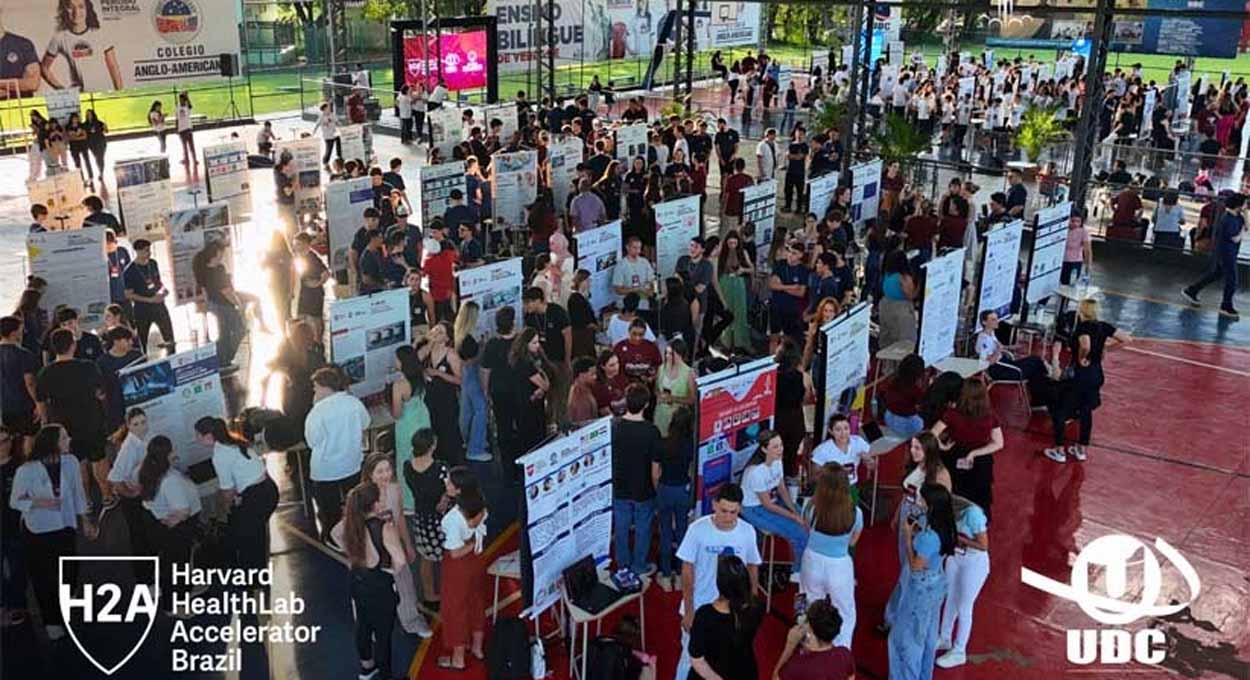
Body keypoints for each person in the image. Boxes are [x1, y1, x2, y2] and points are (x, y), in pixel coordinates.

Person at [8, 424, 94, 640]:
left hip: (64, 525)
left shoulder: (71, 462)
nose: (69, 440)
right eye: (64, 437)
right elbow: (15, 500)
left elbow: (78, 492)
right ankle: (52, 621)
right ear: (51, 443)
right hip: (37, 530)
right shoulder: (26, 470)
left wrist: (85, 519)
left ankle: (68, 596)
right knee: (43, 578)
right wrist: (37, 502)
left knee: (70, 567)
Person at [674, 483, 762, 680]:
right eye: (724, 511)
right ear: (714, 505)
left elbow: (752, 566)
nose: (729, 518)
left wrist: (752, 601)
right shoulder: (697, 530)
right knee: (689, 658)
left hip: (733, 610)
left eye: (734, 512)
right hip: (700, 605)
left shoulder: (747, 531)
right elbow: (687, 571)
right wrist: (689, 611)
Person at [1045, 298, 1130, 463]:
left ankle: (1059, 449)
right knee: (1085, 412)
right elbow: (1127, 339)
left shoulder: (1082, 327)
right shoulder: (1103, 326)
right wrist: (1105, 348)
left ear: (1081, 311)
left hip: (1080, 375)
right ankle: (1081, 449)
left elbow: (1085, 345)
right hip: (1096, 374)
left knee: (1061, 410)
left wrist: (1082, 357)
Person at [882, 433, 951, 632]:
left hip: (922, 522)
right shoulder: (915, 466)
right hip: (907, 516)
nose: (913, 451)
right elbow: (907, 494)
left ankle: (894, 617)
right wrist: (898, 515)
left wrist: (923, 528)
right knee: (904, 565)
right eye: (912, 447)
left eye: (918, 448)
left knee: (909, 572)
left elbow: (942, 505)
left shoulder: (940, 474)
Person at [887, 483, 956, 680]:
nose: (919, 501)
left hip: (921, 589)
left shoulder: (929, 538)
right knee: (928, 635)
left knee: (906, 639)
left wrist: (908, 538)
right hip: (937, 584)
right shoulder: (945, 527)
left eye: (922, 498)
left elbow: (916, 565)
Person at [336, 482, 404, 679]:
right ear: (375, 504)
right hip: (379, 585)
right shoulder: (384, 529)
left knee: (363, 625)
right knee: (383, 635)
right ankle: (386, 675)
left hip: (357, 581)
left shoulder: (350, 523)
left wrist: (352, 556)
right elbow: (399, 561)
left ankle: (367, 667)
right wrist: (391, 571)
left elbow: (334, 534)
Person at [195, 416, 278, 572]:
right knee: (255, 534)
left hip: (257, 496)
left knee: (246, 539)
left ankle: (252, 578)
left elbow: (227, 491)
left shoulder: (220, 455)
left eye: (198, 435)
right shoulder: (234, 441)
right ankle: (258, 575)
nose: (196, 439)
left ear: (208, 436)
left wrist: (227, 505)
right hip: (268, 488)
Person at [36, 329, 106, 507]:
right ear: (73, 345)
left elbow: (41, 401)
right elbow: (100, 393)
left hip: (65, 426)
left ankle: (86, 500)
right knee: (99, 459)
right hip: (92, 420)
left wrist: (46, 423)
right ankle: (107, 495)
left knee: (78, 463)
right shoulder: (88, 366)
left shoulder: (45, 373)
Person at [305, 367, 371, 547]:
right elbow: (366, 423)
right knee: (355, 505)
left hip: (326, 470)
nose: (314, 391)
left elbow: (312, 441)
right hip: (351, 464)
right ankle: (358, 535)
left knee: (330, 509)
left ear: (325, 387)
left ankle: (333, 538)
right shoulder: (353, 403)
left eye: (316, 387)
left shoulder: (317, 412)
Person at [799, 465, 862, 651]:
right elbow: (852, 542)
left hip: (812, 561)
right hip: (840, 565)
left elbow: (806, 529)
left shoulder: (810, 506)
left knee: (808, 604)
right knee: (846, 612)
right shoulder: (855, 512)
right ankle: (842, 651)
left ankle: (808, 646)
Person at [138, 435, 202, 615]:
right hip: (176, 529)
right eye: (171, 450)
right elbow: (183, 510)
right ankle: (175, 605)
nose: (175, 452)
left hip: (167, 527)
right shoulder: (169, 480)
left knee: (175, 564)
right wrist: (174, 522)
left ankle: (184, 591)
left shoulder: (152, 471)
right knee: (176, 566)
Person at [930, 379, 1003, 521]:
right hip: (981, 461)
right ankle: (979, 522)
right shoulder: (990, 416)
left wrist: (943, 446)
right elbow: (998, 443)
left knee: (955, 488)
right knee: (980, 491)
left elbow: (932, 434)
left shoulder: (951, 414)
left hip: (955, 455)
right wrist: (974, 453)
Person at [739, 430, 808, 582]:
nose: (780, 449)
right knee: (799, 532)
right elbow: (767, 505)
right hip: (754, 509)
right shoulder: (756, 472)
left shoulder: (777, 462)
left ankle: (804, 561)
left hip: (772, 500)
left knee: (806, 519)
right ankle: (797, 572)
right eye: (775, 447)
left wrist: (794, 509)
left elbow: (782, 488)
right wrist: (794, 517)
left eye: (781, 445)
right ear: (764, 449)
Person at [437, 472, 489, 670]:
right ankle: (477, 647)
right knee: (476, 601)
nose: (446, 482)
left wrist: (470, 543)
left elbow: (455, 553)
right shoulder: (480, 505)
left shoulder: (453, 518)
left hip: (458, 567)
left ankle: (458, 658)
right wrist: (475, 541)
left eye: (449, 481)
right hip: (476, 561)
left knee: (455, 609)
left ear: (458, 490)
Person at [687, 554, 764, 680]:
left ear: (719, 583)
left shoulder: (705, 615)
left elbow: (697, 659)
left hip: (711, 673)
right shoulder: (756, 606)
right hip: (744, 671)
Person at [612, 383, 662, 575]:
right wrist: (656, 488)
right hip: (643, 489)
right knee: (643, 528)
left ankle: (622, 564)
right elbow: (655, 469)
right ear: (647, 405)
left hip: (620, 487)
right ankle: (639, 565)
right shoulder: (651, 432)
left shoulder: (614, 427)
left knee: (622, 527)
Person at [935, 494, 990, 669]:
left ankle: (959, 651)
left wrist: (960, 540)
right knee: (950, 598)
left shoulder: (972, 514)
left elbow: (983, 545)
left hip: (974, 563)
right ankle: (945, 637)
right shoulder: (944, 512)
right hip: (956, 557)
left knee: (964, 606)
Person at [403, 429, 448, 612]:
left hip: (421, 516)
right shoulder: (440, 468)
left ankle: (429, 595)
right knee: (446, 557)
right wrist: (444, 499)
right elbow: (448, 490)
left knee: (425, 557)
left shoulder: (407, 466)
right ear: (431, 446)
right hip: (439, 518)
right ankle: (448, 591)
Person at [1182, 191, 1247, 319]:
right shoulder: (1227, 219)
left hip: (1231, 251)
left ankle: (1192, 290)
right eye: (1245, 204)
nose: (1246, 206)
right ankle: (1226, 305)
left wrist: (1246, 216)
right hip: (1226, 252)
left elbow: (1247, 227)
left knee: (1216, 274)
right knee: (1232, 280)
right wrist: (1241, 234)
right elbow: (1235, 238)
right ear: (1239, 205)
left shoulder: (1238, 217)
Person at [41, 0, 122, 91]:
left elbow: (113, 67)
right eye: (71, 7)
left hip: (104, 93)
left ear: (87, 9)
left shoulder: (100, 33)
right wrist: (61, 89)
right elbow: (44, 68)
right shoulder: (59, 38)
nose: (76, 12)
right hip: (80, 97)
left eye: (81, 7)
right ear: (64, 9)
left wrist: (120, 93)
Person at [654, 405, 693, 591]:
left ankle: (666, 574)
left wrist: (658, 489)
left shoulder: (662, 444)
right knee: (682, 531)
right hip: (682, 490)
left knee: (665, 531)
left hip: (665, 489)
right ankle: (680, 574)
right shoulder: (690, 444)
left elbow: (655, 473)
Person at [192, 241, 247, 370]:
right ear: (217, 253)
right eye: (222, 252)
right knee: (239, 330)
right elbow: (226, 291)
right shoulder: (217, 270)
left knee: (224, 334)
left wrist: (207, 306)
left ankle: (222, 360)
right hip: (224, 306)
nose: (223, 254)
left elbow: (205, 291)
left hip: (214, 305)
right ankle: (225, 359)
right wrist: (238, 304)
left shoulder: (203, 270)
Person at [418, 321, 465, 466]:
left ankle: (454, 463)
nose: (436, 334)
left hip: (447, 400)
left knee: (448, 432)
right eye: (435, 330)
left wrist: (438, 373)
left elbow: (460, 380)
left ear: (447, 338)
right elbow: (416, 360)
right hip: (430, 398)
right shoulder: (428, 349)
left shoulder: (451, 354)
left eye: (440, 332)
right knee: (434, 430)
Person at [773, 598, 857, 680]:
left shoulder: (798, 666)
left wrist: (789, 646)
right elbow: (851, 677)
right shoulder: (844, 655)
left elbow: (775, 677)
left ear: (810, 630)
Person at [124, 239, 175, 355]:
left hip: (159, 305)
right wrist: (149, 300)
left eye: (149, 250)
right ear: (138, 251)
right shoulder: (129, 271)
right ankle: (144, 359)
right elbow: (128, 294)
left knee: (169, 335)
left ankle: (172, 355)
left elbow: (158, 283)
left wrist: (164, 291)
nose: (149, 253)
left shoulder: (153, 263)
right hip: (142, 309)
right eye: (146, 250)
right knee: (142, 339)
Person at [809, 413, 873, 506]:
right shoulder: (822, 450)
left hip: (851, 487)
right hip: (831, 490)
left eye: (846, 428)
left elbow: (873, 466)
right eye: (838, 429)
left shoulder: (858, 442)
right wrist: (836, 472)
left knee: (853, 516)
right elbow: (814, 477)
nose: (843, 433)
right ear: (830, 431)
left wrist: (869, 461)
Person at [454, 303, 489, 462]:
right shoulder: (467, 338)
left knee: (466, 410)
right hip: (472, 373)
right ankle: (475, 447)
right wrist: (483, 348)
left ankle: (468, 441)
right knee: (481, 409)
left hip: (466, 375)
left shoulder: (459, 334)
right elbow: (470, 360)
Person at [511, 328, 553, 458]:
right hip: (529, 406)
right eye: (534, 343)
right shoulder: (526, 363)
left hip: (526, 401)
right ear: (526, 344)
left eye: (538, 342)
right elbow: (545, 384)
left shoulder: (519, 359)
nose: (538, 346)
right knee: (533, 437)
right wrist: (544, 382)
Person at [0, 316, 39, 442]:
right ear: (14, 333)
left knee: (11, 441)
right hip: (24, 404)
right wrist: (38, 403)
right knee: (29, 438)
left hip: (4, 406)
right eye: (21, 330)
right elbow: (30, 382)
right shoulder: (24, 354)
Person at [773, 346, 809, 478]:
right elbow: (805, 398)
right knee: (791, 456)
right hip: (795, 421)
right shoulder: (801, 377)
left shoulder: (773, 377)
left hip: (778, 421)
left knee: (776, 456)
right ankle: (789, 482)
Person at [769, 242, 810, 350]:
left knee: (789, 338)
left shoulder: (803, 271)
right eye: (789, 252)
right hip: (776, 305)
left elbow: (801, 292)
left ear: (800, 255)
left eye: (794, 253)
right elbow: (773, 285)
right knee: (774, 336)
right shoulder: (780, 265)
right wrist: (791, 287)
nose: (790, 255)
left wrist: (781, 286)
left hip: (791, 308)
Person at [653, 339, 695, 437]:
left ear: (680, 355)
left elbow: (692, 400)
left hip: (678, 419)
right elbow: (655, 389)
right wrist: (658, 395)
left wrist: (672, 398)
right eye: (666, 353)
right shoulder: (661, 368)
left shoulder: (688, 373)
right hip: (660, 415)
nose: (668, 356)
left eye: (672, 354)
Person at [881, 354, 927, 437]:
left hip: (889, 417)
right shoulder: (916, 390)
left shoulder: (893, 381)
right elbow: (920, 406)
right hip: (907, 422)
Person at [1060, 212, 1093, 285]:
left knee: (1071, 283)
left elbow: (1087, 250)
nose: (1075, 224)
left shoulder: (1083, 232)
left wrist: (1088, 266)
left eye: (1078, 221)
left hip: (1075, 262)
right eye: (1072, 221)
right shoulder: (1062, 229)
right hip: (1062, 260)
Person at [314, 101, 342, 168]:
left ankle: (340, 157)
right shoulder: (321, 117)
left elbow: (337, 122)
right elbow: (317, 125)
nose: (329, 109)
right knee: (329, 149)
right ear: (324, 109)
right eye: (327, 108)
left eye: (329, 108)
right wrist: (313, 133)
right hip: (327, 136)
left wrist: (341, 127)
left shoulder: (332, 115)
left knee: (339, 143)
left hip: (334, 134)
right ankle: (325, 161)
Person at [175, 92, 196, 167]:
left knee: (191, 145)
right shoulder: (177, 107)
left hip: (188, 128)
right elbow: (177, 118)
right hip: (181, 129)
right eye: (180, 100)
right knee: (184, 146)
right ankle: (186, 159)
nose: (181, 101)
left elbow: (190, 106)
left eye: (182, 100)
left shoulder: (187, 106)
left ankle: (194, 159)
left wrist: (187, 97)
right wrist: (176, 128)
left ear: (185, 100)